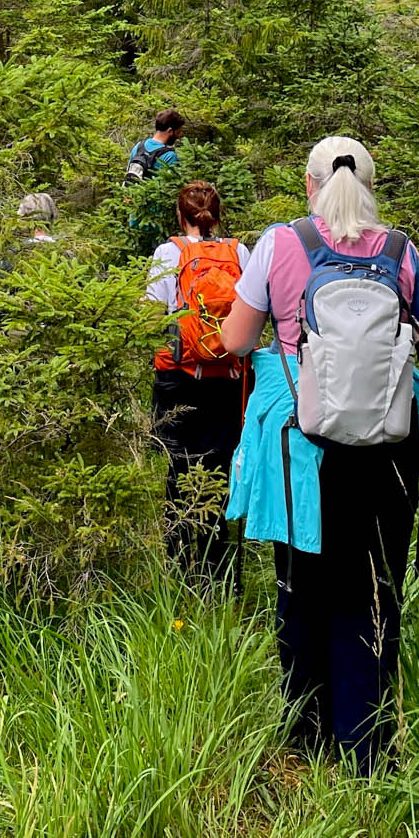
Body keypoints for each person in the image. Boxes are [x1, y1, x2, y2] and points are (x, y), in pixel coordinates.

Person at [221, 135, 419, 773]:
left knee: (302, 587)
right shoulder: (402, 252)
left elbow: (236, 341)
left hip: (305, 448)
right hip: (388, 448)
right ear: (372, 186)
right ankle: (368, 749)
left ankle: (306, 737)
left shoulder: (281, 243)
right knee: (374, 589)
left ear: (309, 185)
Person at [145, 178, 248, 581]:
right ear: (217, 215)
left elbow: (152, 318)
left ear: (179, 214)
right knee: (220, 470)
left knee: (179, 471)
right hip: (229, 381)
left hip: (179, 379)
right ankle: (222, 573)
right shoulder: (240, 252)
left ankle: (180, 567)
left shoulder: (167, 253)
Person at [124, 107, 186, 187]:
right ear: (170, 131)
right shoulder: (169, 156)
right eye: (178, 132)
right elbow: (168, 188)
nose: (179, 135)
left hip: (134, 196)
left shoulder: (138, 146)